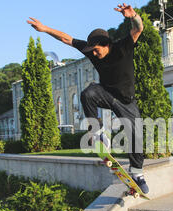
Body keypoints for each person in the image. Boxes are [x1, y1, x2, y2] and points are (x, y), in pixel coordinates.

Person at [27, 3, 149, 194]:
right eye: (91, 50)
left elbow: (138, 28)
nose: (93, 54)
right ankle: (98, 132)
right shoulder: (91, 50)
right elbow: (67, 39)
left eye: (96, 50)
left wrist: (133, 15)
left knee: (136, 136)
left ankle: (138, 174)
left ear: (106, 45)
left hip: (126, 101)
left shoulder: (122, 47)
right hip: (106, 94)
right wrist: (45, 29)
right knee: (88, 93)